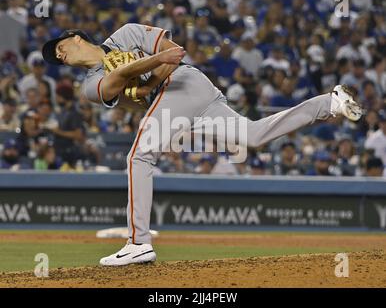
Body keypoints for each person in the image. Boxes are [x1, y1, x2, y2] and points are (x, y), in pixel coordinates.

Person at [42, 24, 363, 266]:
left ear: (76, 37)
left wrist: (155, 68)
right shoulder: (88, 87)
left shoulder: (126, 33)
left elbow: (175, 53)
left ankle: (139, 242)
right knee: (253, 136)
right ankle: (329, 104)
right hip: (173, 97)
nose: (59, 55)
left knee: (138, 157)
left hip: (184, 83)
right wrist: (153, 65)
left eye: (58, 47)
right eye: (55, 57)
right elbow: (120, 84)